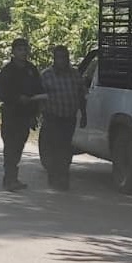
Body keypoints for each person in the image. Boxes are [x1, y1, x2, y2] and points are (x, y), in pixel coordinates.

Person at [0, 37, 45, 191]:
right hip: (11, 114)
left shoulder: (31, 70)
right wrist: (16, 97)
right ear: (13, 52)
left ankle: (12, 178)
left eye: (25, 49)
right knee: (10, 146)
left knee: (19, 146)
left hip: (26, 115)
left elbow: (38, 90)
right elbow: (0, 91)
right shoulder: (8, 70)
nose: (23, 52)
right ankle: (9, 178)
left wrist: (36, 111)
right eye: (20, 49)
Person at [39, 45, 88, 190]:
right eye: (59, 57)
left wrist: (84, 114)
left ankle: (64, 177)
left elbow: (81, 95)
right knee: (54, 147)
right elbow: (39, 96)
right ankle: (54, 177)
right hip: (52, 117)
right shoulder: (46, 75)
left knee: (66, 148)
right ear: (54, 59)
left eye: (64, 57)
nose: (62, 60)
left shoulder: (75, 74)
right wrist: (38, 114)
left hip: (69, 117)